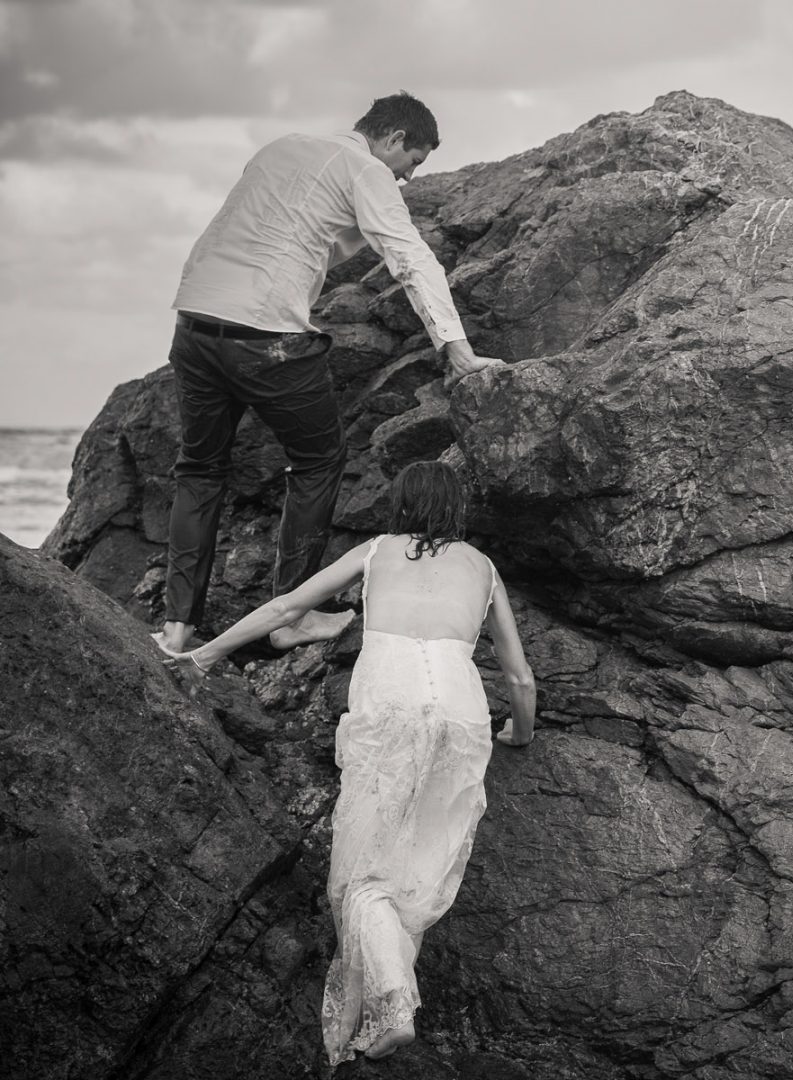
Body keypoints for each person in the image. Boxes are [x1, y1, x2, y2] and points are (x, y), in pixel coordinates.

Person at [171, 461, 536, 1062]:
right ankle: (390, 1009)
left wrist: (205, 656)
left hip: (391, 705)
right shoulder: (484, 567)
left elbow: (286, 609)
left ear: (402, 506)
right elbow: (520, 677)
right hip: (462, 711)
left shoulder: (377, 551)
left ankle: (393, 1004)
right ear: (455, 509)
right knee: (418, 857)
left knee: (366, 868)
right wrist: (518, 735)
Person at [155, 90, 504, 656]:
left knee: (199, 469)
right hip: (266, 337)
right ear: (392, 139)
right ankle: (290, 615)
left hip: (194, 323)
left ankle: (176, 628)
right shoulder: (367, 170)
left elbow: (291, 228)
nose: (409, 178)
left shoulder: (281, 147)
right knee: (318, 460)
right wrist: (456, 349)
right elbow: (412, 257)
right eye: (412, 163)